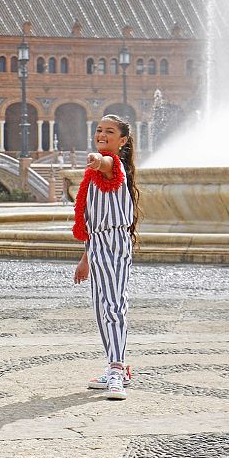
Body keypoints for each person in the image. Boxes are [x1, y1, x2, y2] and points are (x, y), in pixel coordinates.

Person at [72, 114, 140, 400]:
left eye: (109, 132)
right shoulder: (92, 176)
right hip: (98, 243)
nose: (101, 134)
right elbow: (92, 219)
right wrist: (86, 257)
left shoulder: (114, 166)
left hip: (115, 241)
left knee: (114, 306)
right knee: (102, 307)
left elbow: (107, 164)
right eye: (99, 130)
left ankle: (116, 369)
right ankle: (117, 368)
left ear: (122, 141)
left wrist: (96, 159)